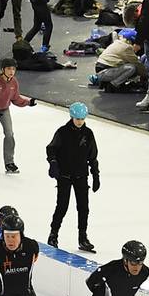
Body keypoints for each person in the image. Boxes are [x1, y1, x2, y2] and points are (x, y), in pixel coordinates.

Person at [46, 102, 100, 253]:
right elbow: (51, 149)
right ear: (71, 117)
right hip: (64, 175)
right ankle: (53, 234)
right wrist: (53, 163)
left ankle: (83, 237)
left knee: (83, 208)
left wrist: (96, 175)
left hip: (81, 175)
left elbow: (92, 155)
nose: (79, 121)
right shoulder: (62, 132)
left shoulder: (88, 134)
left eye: (82, 119)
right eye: (77, 118)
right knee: (62, 206)